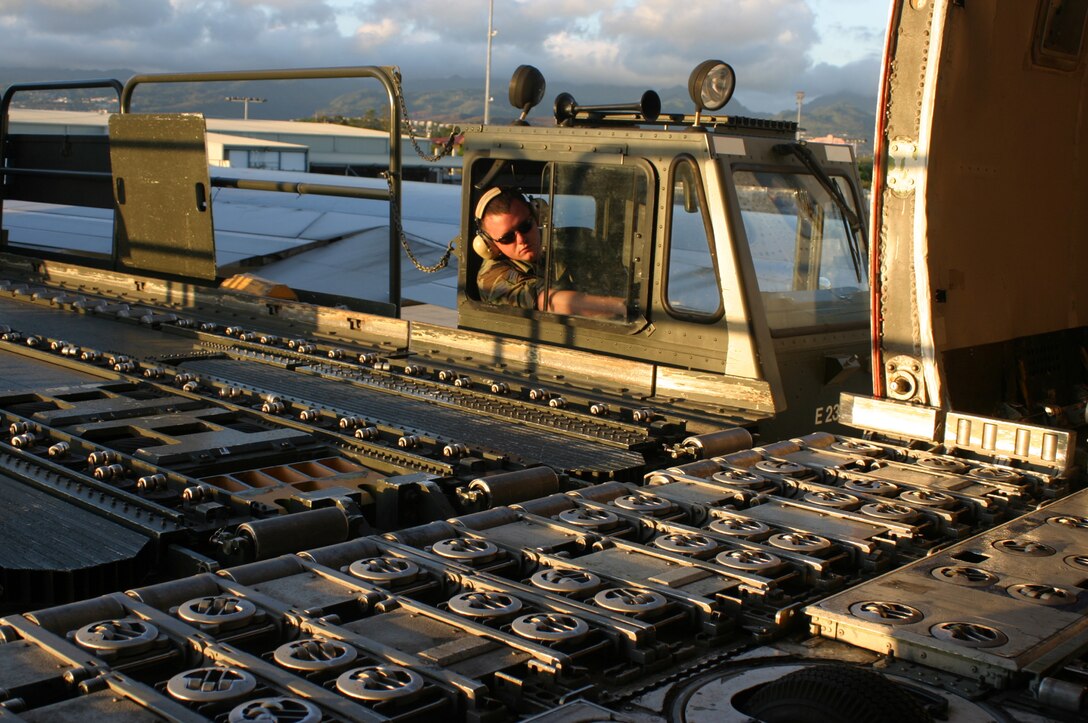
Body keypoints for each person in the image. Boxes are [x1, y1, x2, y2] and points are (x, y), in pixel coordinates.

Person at [474, 188, 625, 318]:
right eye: (507, 237)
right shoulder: (492, 277)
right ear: (491, 244)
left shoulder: (566, 243)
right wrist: (622, 307)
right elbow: (547, 301)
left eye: (525, 226)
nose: (521, 239)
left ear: (537, 218)